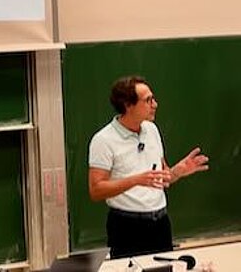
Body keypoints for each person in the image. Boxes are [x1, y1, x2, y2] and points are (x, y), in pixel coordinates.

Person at [88, 76, 209, 259]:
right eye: (148, 100)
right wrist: (136, 180)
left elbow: (161, 177)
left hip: (160, 223)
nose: (155, 104)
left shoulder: (152, 130)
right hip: (127, 226)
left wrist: (178, 171)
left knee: (164, 268)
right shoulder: (103, 140)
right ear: (128, 105)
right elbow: (96, 190)